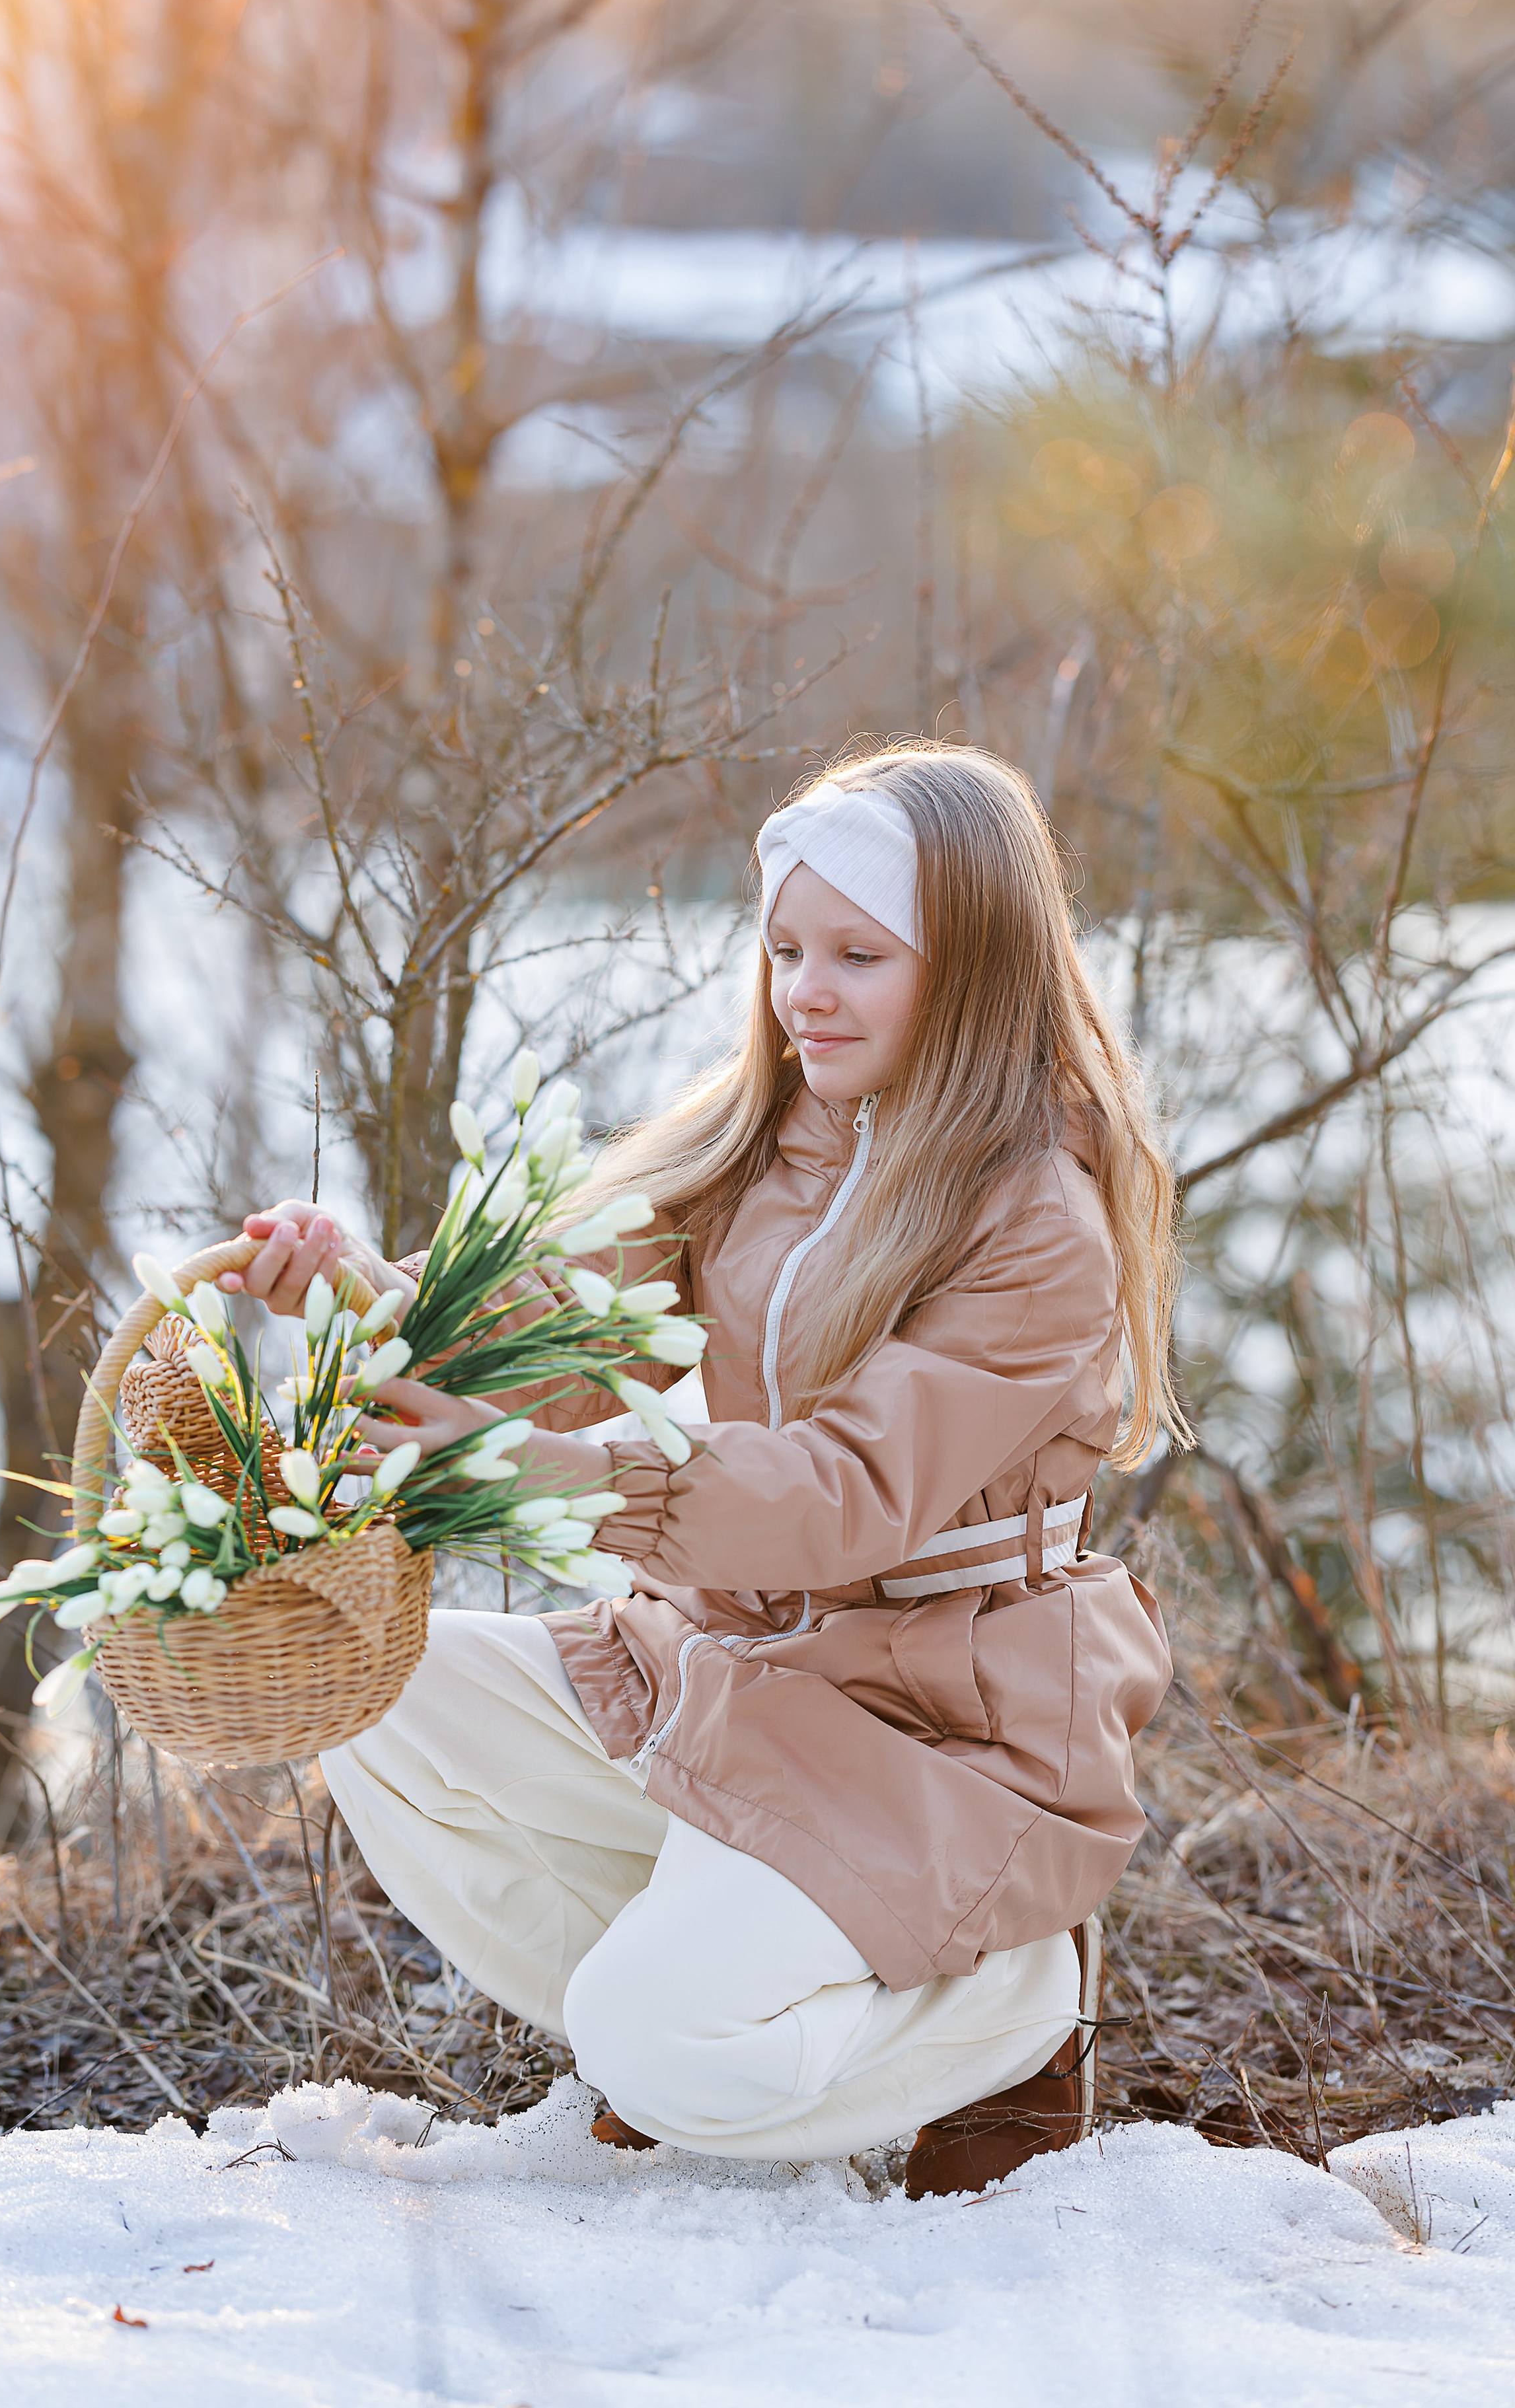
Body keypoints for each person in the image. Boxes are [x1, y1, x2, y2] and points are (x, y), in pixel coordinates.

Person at [219, 744, 1185, 2196]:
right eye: (787, 949)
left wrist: (550, 1470)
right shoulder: (756, 1139)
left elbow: (842, 1495)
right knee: (369, 1685)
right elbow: (545, 1332)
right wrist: (362, 1293)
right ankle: (709, 1981)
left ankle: (1014, 2001)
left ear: (975, 967)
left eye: (859, 955)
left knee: (661, 2048)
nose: (806, 992)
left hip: (940, 1719)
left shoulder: (1037, 1218)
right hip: (738, 1665)